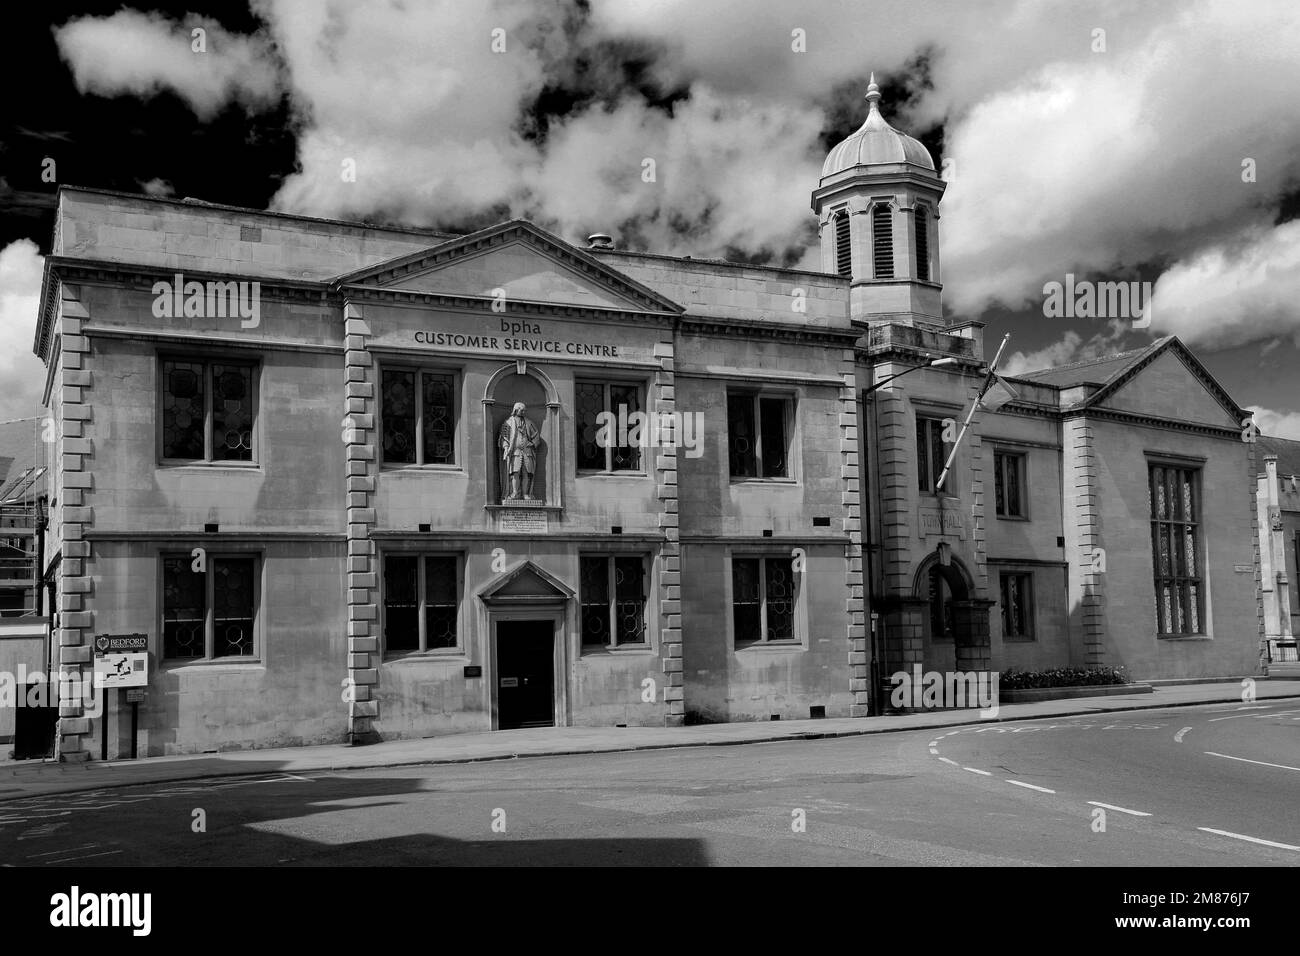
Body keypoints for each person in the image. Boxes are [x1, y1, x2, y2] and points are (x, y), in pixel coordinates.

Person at [499, 402, 540, 500]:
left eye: (524, 410)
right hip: (515, 452)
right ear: (516, 410)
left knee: (527, 473)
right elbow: (504, 437)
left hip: (527, 452)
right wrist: (505, 447)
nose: (523, 412)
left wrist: (533, 443)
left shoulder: (528, 422)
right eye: (522, 410)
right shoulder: (508, 422)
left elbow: (536, 435)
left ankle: (525, 494)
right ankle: (515, 493)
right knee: (515, 473)